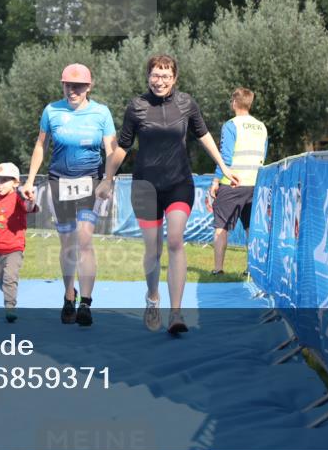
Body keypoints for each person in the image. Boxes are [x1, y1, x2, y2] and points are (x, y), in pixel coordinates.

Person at [95, 54, 232, 336]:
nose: (160, 81)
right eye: (155, 75)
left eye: (166, 76)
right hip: (145, 187)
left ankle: (176, 312)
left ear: (174, 78)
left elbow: (204, 135)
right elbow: (122, 147)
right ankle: (153, 297)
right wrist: (107, 180)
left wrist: (223, 166)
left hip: (179, 183)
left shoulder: (186, 103)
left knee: (175, 240)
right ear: (148, 76)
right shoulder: (137, 106)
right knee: (153, 250)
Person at [21, 64, 116, 327]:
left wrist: (108, 180)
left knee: (84, 239)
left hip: (91, 182)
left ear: (89, 87)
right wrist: (30, 180)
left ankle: (86, 302)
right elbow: (41, 145)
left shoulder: (101, 113)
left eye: (78, 86)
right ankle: (68, 295)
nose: (72, 91)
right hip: (58, 183)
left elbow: (112, 150)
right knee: (67, 244)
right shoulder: (51, 111)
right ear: (62, 85)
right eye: (68, 85)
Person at [208, 88, 268, 275]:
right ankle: (251, 269)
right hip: (255, 184)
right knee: (251, 227)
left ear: (234, 103)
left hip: (232, 183)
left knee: (221, 227)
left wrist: (216, 180)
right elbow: (263, 155)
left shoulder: (231, 125)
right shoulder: (261, 127)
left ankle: (218, 269)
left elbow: (225, 157)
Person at [0, 162, 39, 322]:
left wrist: (31, 198)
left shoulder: (17, 198)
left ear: (15, 183)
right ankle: (8, 291)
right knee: (0, 278)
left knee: (10, 277)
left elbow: (29, 207)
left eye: (4, 180)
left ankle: (10, 306)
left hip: (14, 247)